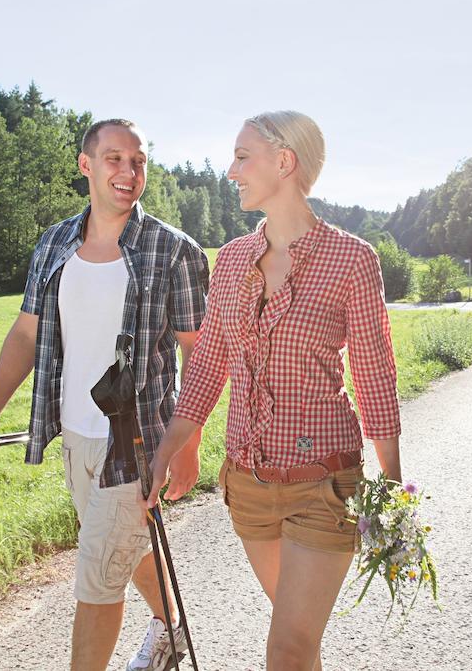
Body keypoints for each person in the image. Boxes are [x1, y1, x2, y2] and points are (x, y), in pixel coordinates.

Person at [145, 111, 402, 671]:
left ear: (284, 161)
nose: (231, 170)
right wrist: (168, 450)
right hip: (249, 487)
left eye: (243, 156)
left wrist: (394, 483)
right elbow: (210, 361)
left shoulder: (352, 260)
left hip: (323, 488)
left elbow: (375, 374)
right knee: (298, 643)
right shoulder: (234, 258)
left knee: (286, 648)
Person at [0, 118, 208, 671]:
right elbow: (27, 332)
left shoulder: (173, 251)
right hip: (76, 437)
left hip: (140, 442)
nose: (128, 173)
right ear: (86, 165)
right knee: (128, 547)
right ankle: (173, 628)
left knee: (97, 579)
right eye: (115, 159)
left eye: (138, 162)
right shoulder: (54, 244)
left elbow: (200, 351)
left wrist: (187, 443)